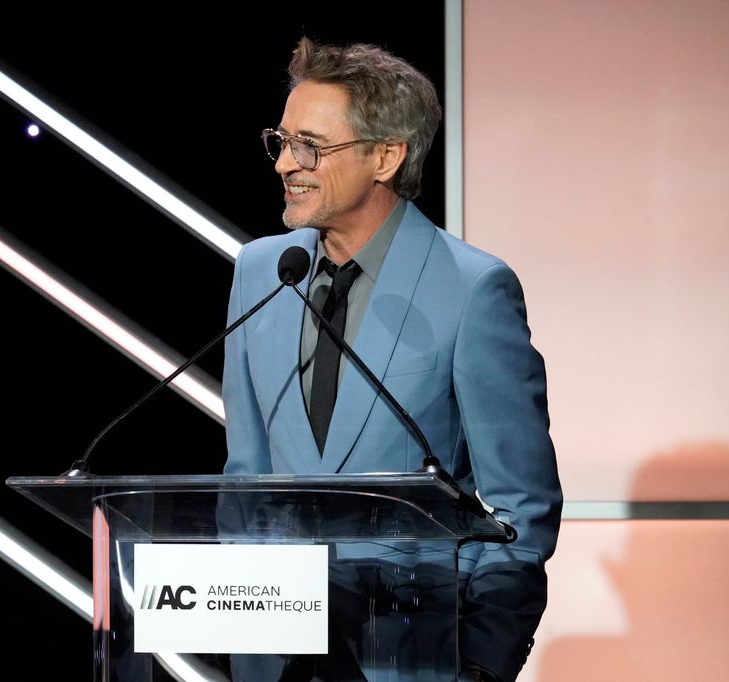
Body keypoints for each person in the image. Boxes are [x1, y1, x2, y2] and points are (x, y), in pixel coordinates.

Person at [222, 37, 562, 682]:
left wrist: (483, 664)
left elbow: (519, 506)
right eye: (281, 141)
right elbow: (248, 477)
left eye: (310, 147)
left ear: (386, 156)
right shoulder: (262, 271)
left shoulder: (472, 289)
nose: (284, 165)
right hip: (277, 655)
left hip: (413, 654)